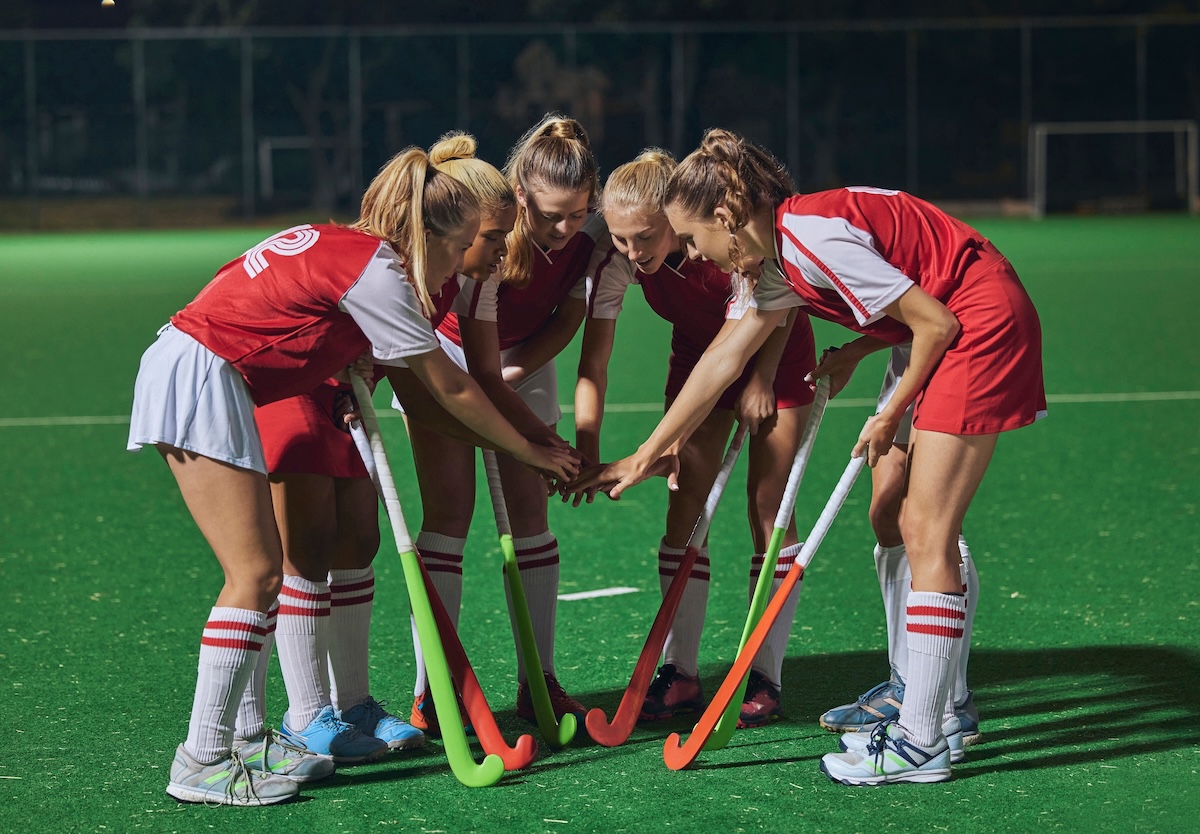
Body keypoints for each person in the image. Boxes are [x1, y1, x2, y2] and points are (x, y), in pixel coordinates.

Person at [567, 128, 1044, 786]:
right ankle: (937, 704)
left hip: (977, 322)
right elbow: (720, 363)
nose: (697, 254)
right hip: (938, 324)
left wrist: (887, 411)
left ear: (726, 219)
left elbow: (938, 318)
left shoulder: (809, 239)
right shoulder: (774, 260)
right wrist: (649, 452)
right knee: (896, 520)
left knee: (925, 528)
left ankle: (922, 741)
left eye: (696, 239)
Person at [128, 146, 579, 806]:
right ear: (437, 237)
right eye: (460, 251)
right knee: (254, 573)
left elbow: (417, 391)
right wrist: (530, 450)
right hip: (202, 375)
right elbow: (445, 391)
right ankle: (200, 758)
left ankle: (250, 741)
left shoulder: (357, 251)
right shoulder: (382, 271)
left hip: (205, 370)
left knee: (259, 573)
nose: (459, 269)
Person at [573, 149, 816, 727]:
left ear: (674, 217)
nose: (633, 252)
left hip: (774, 358)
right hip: (696, 362)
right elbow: (597, 359)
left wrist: (759, 377)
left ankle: (765, 674)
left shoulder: (724, 243)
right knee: (686, 501)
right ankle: (680, 672)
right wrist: (596, 447)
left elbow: (781, 301)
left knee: (768, 505)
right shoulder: (621, 261)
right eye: (621, 239)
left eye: (645, 237)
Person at [405, 116, 605, 730]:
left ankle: (538, 679)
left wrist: (516, 395)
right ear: (519, 195)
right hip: (446, 359)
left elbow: (568, 327)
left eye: (577, 214)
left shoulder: (590, 247)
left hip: (519, 365)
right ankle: (432, 692)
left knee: (529, 512)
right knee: (450, 513)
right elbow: (470, 363)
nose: (563, 229)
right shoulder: (488, 234)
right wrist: (509, 413)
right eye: (549, 215)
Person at [805, 340, 981, 761]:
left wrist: (856, 350)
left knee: (932, 526)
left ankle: (950, 701)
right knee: (886, 515)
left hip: (952, 351)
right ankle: (906, 685)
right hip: (910, 353)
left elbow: (930, 314)